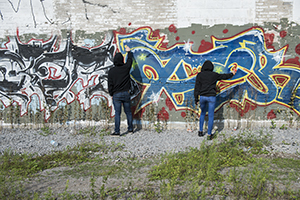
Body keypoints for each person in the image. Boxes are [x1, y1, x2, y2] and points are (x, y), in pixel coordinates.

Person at [194, 60, 236, 140]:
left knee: (202, 113)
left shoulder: (200, 75)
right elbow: (224, 76)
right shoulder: (214, 75)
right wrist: (232, 74)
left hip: (202, 97)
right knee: (210, 115)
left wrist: (196, 98)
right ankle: (209, 134)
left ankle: (200, 131)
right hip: (211, 97)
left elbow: (196, 88)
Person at [108, 46, 133, 137]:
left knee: (117, 113)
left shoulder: (111, 71)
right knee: (128, 112)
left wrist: (111, 94)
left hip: (116, 94)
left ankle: (117, 131)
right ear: (122, 60)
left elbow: (110, 84)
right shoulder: (125, 68)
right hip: (126, 93)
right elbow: (130, 61)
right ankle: (130, 129)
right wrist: (129, 52)